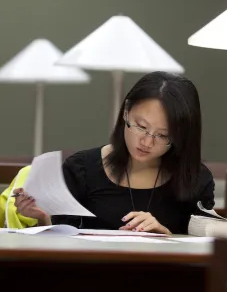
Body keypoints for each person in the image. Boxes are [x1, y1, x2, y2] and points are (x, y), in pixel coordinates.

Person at [13, 71, 215, 234]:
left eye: (163, 135)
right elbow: (61, 242)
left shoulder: (196, 179)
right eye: (140, 126)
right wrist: (43, 218)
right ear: (126, 111)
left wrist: (166, 237)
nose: (146, 141)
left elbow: (206, 251)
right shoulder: (81, 169)